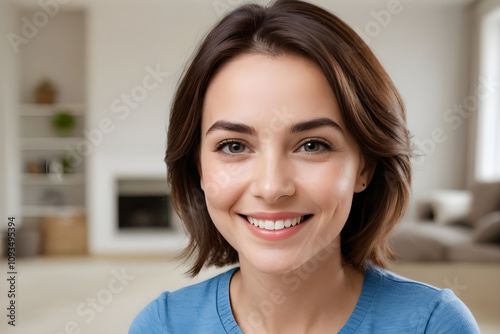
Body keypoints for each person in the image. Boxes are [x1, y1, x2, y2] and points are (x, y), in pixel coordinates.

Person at [129, 0, 480, 333]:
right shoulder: (163, 326)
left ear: (365, 167)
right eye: (234, 146)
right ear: (198, 169)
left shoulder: (434, 325)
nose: (271, 187)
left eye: (312, 145)